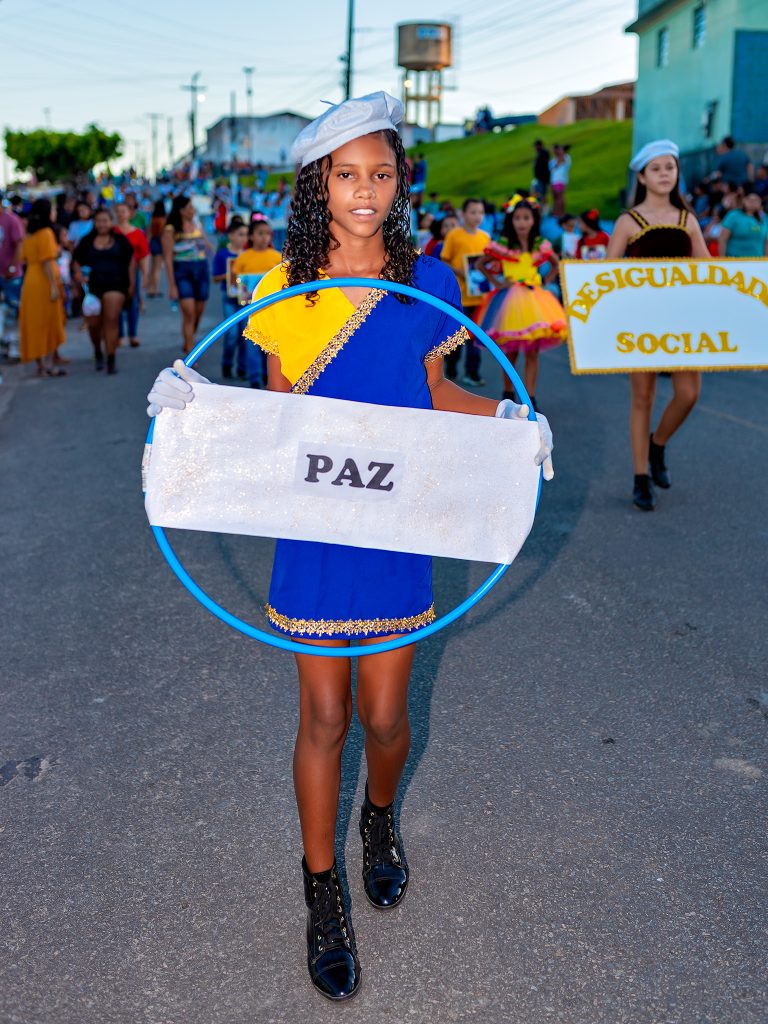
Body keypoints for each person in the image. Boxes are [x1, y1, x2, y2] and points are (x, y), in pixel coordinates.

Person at [146, 90, 554, 1002]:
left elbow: (434, 398)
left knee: (385, 717)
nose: (364, 190)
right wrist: (192, 414)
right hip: (317, 526)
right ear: (317, 184)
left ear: (400, 182)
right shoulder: (280, 288)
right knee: (323, 717)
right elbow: (275, 421)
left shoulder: (429, 284)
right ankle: (321, 888)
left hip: (396, 524)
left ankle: (378, 816)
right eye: (345, 175)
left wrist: (509, 420)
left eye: (380, 173)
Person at [606, 139, 710, 511]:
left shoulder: (688, 220)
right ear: (642, 177)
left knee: (689, 394)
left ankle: (658, 444)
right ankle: (640, 477)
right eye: (656, 168)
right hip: (640, 321)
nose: (665, 174)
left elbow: (709, 270)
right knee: (643, 398)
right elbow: (605, 275)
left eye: (670, 167)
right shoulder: (628, 221)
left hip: (683, 321)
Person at [475, 195, 566, 405]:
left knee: (533, 352)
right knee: (511, 352)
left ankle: (530, 398)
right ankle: (508, 395)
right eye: (517, 218)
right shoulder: (504, 244)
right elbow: (480, 264)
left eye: (526, 218)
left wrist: (545, 280)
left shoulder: (539, 244)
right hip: (510, 301)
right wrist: (497, 283)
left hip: (534, 299)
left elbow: (556, 263)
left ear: (534, 220)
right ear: (511, 220)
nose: (522, 222)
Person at [73, 207, 134, 374]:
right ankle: (98, 351)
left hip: (116, 285)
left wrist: (132, 284)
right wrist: (78, 274)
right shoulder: (86, 241)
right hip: (92, 289)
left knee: (111, 320)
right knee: (93, 325)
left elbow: (131, 262)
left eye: (105, 221)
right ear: (94, 223)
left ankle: (111, 357)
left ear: (111, 222)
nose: (102, 224)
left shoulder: (121, 240)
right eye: (98, 221)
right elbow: (76, 260)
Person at [440, 198, 490, 385]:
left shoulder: (485, 237)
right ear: (463, 214)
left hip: (479, 296)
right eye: (473, 212)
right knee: (457, 336)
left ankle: (472, 372)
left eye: (481, 212)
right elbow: (444, 261)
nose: (477, 216)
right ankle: (451, 367)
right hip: (459, 296)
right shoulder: (454, 235)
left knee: (476, 338)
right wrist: (461, 272)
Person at [230, 217, 281, 387]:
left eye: (267, 233)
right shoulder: (243, 258)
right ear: (251, 236)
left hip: (273, 309)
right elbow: (235, 281)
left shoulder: (277, 257)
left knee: (271, 345)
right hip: (249, 309)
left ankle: (269, 376)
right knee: (252, 343)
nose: (265, 237)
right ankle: (254, 379)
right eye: (260, 233)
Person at [19, 198, 66, 377]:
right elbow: (46, 261)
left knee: (35, 323)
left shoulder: (29, 235)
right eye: (53, 210)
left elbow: (24, 259)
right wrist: (53, 286)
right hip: (44, 281)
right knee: (49, 322)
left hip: (30, 281)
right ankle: (49, 365)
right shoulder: (46, 232)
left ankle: (40, 366)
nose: (55, 213)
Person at [162, 194, 212, 354]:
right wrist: (172, 285)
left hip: (201, 269)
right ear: (181, 210)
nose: (193, 210)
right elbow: (168, 257)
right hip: (182, 271)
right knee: (189, 313)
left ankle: (189, 339)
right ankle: (191, 350)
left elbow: (207, 246)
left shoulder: (197, 224)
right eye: (189, 207)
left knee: (198, 312)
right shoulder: (170, 230)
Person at [212, 217, 249, 379]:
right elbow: (215, 278)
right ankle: (226, 364)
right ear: (231, 235)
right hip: (229, 298)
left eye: (246, 235)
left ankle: (242, 367)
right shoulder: (222, 255)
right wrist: (229, 274)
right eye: (240, 234)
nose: (244, 238)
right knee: (232, 333)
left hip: (245, 298)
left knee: (244, 334)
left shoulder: (248, 255)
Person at [114, 200, 149, 347]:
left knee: (132, 303)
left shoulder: (138, 233)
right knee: (116, 303)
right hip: (115, 273)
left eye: (123, 211)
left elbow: (143, 256)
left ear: (130, 213)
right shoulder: (112, 232)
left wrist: (145, 274)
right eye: (118, 212)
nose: (120, 214)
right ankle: (119, 335)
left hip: (133, 273)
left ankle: (133, 334)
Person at [0, 201, 24, 348]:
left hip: (11, 275)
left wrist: (12, 267)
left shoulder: (11, 219)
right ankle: (5, 343)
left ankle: (15, 346)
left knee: (14, 310)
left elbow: (19, 244)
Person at [718, 191, 768, 258]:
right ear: (744, 200)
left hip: (757, 261)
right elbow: (722, 239)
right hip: (735, 260)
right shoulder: (734, 215)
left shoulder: (764, 219)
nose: (752, 202)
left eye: (756, 200)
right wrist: (722, 259)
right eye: (750, 199)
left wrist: (767, 260)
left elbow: (767, 242)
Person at [146, 199, 166, 297]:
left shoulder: (153, 218)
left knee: (152, 267)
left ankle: (150, 289)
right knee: (157, 268)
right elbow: (162, 234)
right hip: (159, 242)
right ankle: (156, 290)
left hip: (153, 242)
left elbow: (149, 232)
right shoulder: (163, 220)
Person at [549, 144, 571, 217]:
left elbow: (561, 161)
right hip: (553, 181)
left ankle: (561, 213)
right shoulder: (552, 160)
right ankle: (556, 212)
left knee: (560, 196)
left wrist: (560, 150)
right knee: (555, 197)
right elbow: (552, 171)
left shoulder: (566, 157)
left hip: (561, 180)